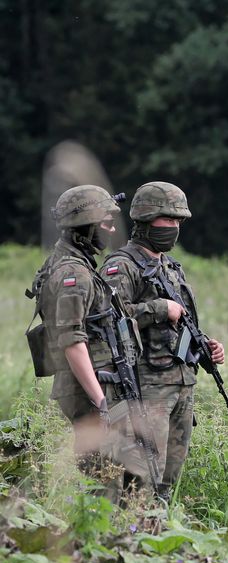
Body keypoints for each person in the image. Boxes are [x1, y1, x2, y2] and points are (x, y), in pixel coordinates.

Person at [102, 181, 225, 496]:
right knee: (142, 477)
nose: (175, 227)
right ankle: (133, 536)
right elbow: (109, 318)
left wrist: (206, 345)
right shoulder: (122, 266)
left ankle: (159, 532)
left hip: (181, 383)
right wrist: (158, 308)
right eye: (168, 220)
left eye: (178, 222)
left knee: (168, 480)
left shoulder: (170, 268)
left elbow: (181, 321)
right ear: (145, 219)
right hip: (147, 387)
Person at [27, 185, 140, 499]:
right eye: (106, 223)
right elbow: (72, 341)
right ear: (86, 225)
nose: (112, 229)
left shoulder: (78, 266)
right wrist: (102, 403)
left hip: (98, 386)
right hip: (88, 392)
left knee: (120, 476)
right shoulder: (74, 275)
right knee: (105, 481)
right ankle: (97, 542)